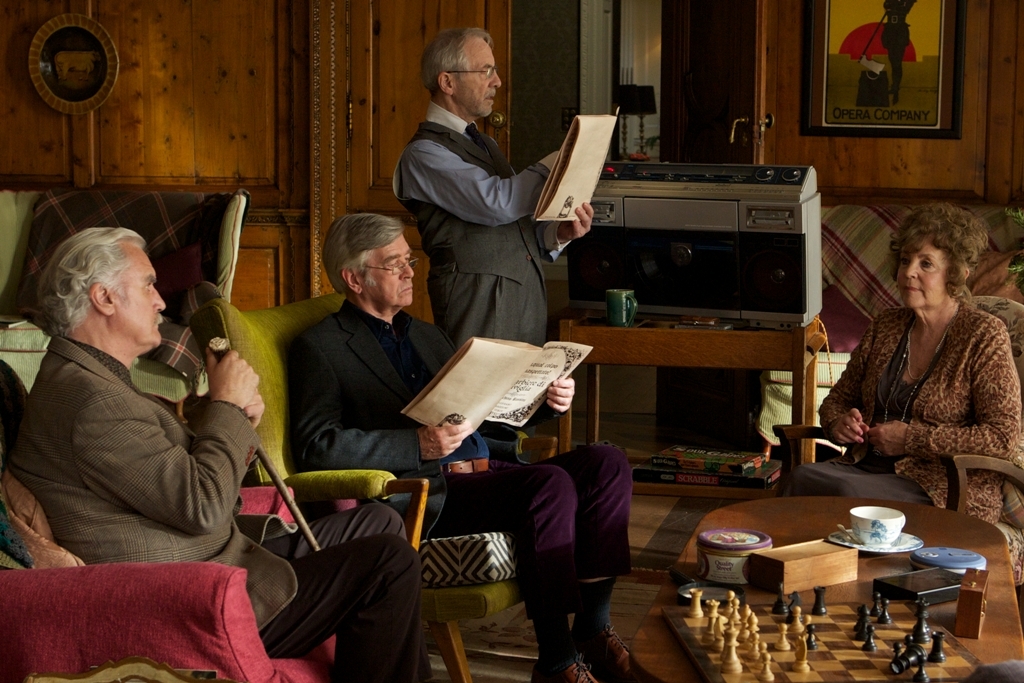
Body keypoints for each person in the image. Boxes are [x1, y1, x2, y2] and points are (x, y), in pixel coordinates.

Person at [9, 228, 426, 683]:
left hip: (216, 555)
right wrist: (225, 408)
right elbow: (205, 506)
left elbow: (185, 477)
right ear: (104, 297)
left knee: (381, 521)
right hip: (189, 596)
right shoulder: (93, 403)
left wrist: (233, 417)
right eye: (148, 284)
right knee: (389, 562)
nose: (160, 302)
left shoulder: (91, 380)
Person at [289, 213, 634, 683]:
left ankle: (592, 629)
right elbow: (317, 446)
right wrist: (416, 444)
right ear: (354, 278)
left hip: (487, 467)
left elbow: (481, 411)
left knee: (607, 462)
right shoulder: (322, 347)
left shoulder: (428, 335)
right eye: (396, 264)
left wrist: (543, 405)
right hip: (430, 493)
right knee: (549, 483)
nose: (412, 272)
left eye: (410, 260)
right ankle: (556, 661)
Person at [780, 204, 1022, 525]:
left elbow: (1002, 437)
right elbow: (837, 401)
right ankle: (793, 571)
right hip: (865, 467)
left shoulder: (982, 334)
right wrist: (839, 423)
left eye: (926, 263)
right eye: (905, 260)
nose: (909, 271)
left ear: (956, 274)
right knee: (801, 477)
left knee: (844, 492)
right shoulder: (885, 325)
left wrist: (911, 439)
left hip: (940, 486)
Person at [393, 27, 595, 347]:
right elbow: (496, 204)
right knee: (479, 397)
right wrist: (560, 159)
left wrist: (558, 234)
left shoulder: (484, 142)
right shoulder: (424, 153)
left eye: (495, 70)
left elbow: (515, 227)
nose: (497, 81)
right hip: (479, 307)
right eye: (486, 70)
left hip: (522, 301)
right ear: (448, 82)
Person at [882, 0, 916, 105]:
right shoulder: (891, 2)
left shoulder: (905, 3)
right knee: (893, 62)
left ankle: (896, 86)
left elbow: (908, 4)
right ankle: (895, 86)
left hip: (899, 34)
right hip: (891, 33)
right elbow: (886, 4)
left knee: (897, 63)